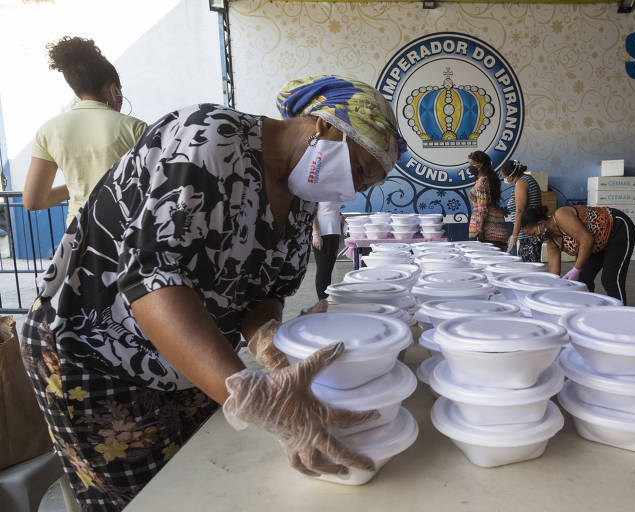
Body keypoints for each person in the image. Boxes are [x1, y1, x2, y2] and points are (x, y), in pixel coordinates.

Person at [20, 75, 405, 511]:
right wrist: (253, 395)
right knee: (143, 499)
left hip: (187, 352)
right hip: (95, 350)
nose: (353, 189)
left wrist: (267, 346)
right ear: (325, 125)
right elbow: (152, 275)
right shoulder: (211, 135)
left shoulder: (302, 199)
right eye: (358, 169)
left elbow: (268, 294)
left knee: (199, 481)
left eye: (366, 185)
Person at [24, 36, 146, 227]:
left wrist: (76, 186)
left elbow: (33, 200)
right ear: (112, 88)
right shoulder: (135, 128)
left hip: (78, 234)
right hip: (124, 231)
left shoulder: (48, 131)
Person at [521, 204, 635, 304]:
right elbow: (554, 274)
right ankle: (588, 310)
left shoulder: (561, 216)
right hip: (596, 243)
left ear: (541, 223)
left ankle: (620, 315)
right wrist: (547, 293)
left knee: (610, 280)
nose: (535, 238)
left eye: (534, 233)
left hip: (616, 228)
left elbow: (586, 240)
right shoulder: (552, 242)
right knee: (583, 281)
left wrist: (576, 269)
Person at [500, 160, 542, 261]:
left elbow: (520, 210)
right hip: (529, 233)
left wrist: (514, 236)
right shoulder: (527, 179)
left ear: (511, 174)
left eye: (504, 176)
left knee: (528, 270)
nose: (504, 179)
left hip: (529, 234)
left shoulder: (521, 182)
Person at [467, 151, 508, 249]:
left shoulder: (482, 182)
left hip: (485, 229)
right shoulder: (489, 179)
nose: (469, 168)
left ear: (480, 165)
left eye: (471, 164)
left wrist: (480, 229)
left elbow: (482, 207)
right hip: (497, 224)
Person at [312, 201, 342, 300]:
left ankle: (325, 298)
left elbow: (334, 210)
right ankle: (322, 301)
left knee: (329, 269)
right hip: (322, 233)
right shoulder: (317, 188)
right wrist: (316, 233)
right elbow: (311, 212)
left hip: (334, 231)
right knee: (323, 269)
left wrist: (344, 219)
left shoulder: (334, 189)